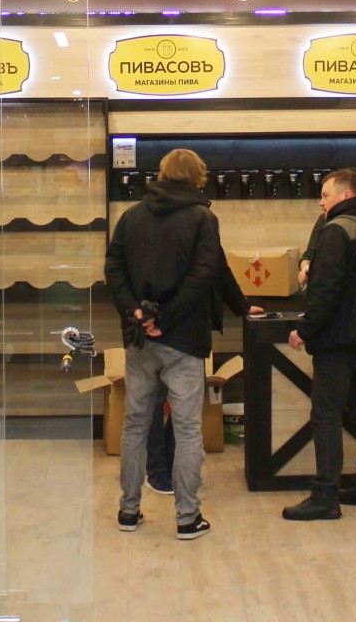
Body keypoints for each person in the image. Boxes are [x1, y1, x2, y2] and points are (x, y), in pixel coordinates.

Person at [104, 148, 258, 539]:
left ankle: (128, 511)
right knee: (188, 429)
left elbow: (114, 269)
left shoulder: (131, 216)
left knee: (135, 425)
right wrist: (171, 318)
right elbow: (207, 274)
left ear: (162, 173)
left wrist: (137, 313)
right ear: (197, 177)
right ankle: (187, 518)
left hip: (140, 337)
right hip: (184, 339)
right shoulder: (202, 218)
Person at [284, 167, 356, 521]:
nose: (321, 202)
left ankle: (325, 496)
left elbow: (326, 289)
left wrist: (305, 329)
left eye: (325, 194)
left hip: (337, 341)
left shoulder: (336, 230)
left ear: (346, 195)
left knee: (326, 417)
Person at [142, 256, 252, 497]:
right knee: (156, 399)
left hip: (192, 327)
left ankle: (172, 461)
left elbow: (219, 268)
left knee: (189, 400)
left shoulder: (205, 233)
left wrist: (242, 306)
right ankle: (156, 469)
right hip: (159, 325)